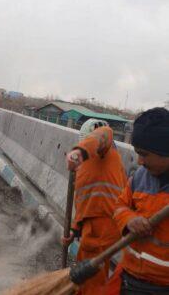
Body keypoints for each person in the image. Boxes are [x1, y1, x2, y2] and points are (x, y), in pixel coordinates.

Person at [104, 108, 169, 294]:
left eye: (145, 154)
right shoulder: (140, 177)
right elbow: (119, 206)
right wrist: (129, 220)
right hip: (129, 280)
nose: (139, 161)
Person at [64, 119, 127, 295]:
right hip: (93, 225)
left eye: (85, 142)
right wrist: (74, 230)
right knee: (89, 272)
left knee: (91, 277)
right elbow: (84, 202)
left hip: (103, 225)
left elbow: (104, 133)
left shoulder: (104, 152)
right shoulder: (89, 166)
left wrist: (78, 153)